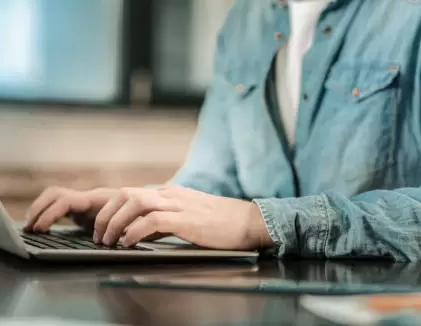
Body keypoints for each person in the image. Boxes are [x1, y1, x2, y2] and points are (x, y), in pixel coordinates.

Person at [24, 0, 421, 261]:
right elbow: (215, 180)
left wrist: (260, 222)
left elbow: (248, 218)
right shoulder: (245, 20)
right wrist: (145, 207)